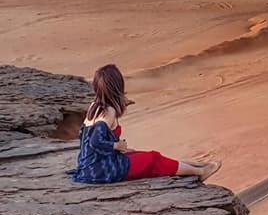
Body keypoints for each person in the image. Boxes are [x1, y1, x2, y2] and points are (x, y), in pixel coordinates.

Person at [70, 64, 220, 184]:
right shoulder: (108, 112)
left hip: (90, 166)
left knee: (140, 154)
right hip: (103, 170)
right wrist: (116, 146)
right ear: (117, 86)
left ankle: (196, 165)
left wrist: (117, 150)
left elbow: (85, 138)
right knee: (152, 159)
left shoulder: (94, 106)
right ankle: (200, 172)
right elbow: (96, 141)